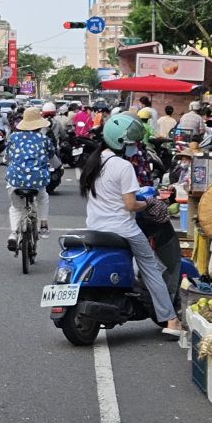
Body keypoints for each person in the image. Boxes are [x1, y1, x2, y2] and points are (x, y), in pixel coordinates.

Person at [78, 112, 183, 335]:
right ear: (120, 142)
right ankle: (170, 320)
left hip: (95, 226)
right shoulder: (123, 167)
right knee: (152, 268)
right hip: (123, 228)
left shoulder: (94, 162)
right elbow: (130, 205)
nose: (134, 147)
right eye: (131, 143)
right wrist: (147, 203)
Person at [5, 106, 54, 243]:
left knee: (16, 208)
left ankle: (14, 233)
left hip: (15, 181)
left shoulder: (13, 137)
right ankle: (43, 225)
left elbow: (7, 157)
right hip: (37, 181)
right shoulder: (44, 139)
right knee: (43, 197)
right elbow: (52, 156)